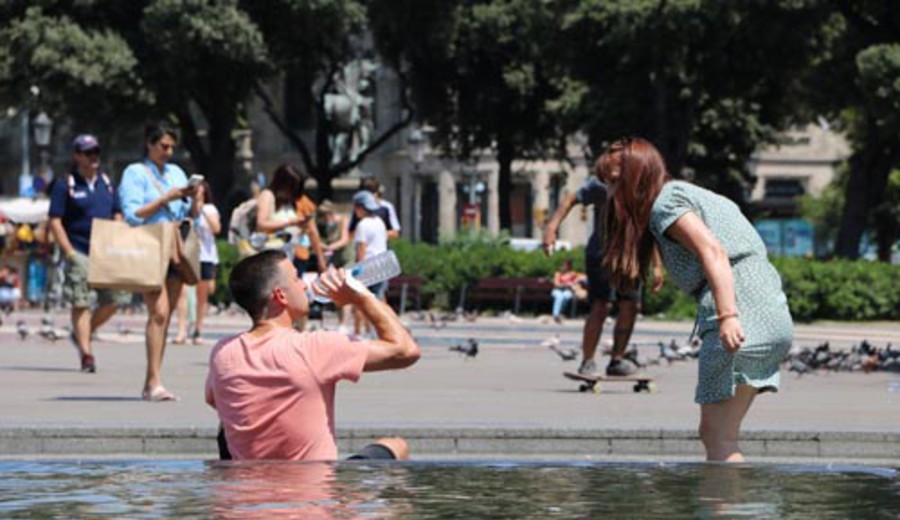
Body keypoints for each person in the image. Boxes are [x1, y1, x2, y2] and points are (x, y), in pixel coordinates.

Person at [598, 137, 793, 462]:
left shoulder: (666, 203)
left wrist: (727, 315)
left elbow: (712, 251)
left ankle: (727, 509)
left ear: (638, 174)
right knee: (720, 434)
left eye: (616, 182)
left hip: (740, 312)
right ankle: (743, 510)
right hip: (769, 309)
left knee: (717, 437)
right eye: (606, 184)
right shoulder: (686, 194)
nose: (610, 194)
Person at [205, 250, 420, 461]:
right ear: (280, 295)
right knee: (397, 446)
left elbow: (213, 399)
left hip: (247, 489)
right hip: (315, 492)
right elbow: (405, 350)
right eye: (297, 278)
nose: (305, 285)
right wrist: (360, 296)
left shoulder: (223, 352)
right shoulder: (315, 347)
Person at [543, 164, 659, 376]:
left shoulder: (643, 188)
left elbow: (651, 227)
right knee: (601, 306)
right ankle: (587, 360)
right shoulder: (600, 187)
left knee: (631, 306)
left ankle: (616, 359)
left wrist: (657, 265)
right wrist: (551, 227)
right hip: (602, 255)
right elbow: (571, 199)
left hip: (630, 258)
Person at [118, 121, 199, 401]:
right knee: (160, 312)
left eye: (171, 147)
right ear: (149, 144)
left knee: (164, 317)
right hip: (149, 245)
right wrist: (166, 198)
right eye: (163, 146)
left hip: (176, 248)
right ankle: (153, 382)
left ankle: (153, 379)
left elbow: (190, 212)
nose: (168, 151)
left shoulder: (177, 172)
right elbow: (132, 214)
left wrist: (194, 196)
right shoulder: (135, 173)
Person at [47, 134, 127, 373]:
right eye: (88, 153)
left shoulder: (106, 182)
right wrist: (69, 252)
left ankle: (84, 332)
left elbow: (117, 212)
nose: (94, 157)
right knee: (81, 301)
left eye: (96, 152)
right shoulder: (66, 185)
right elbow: (55, 221)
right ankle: (86, 354)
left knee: (116, 299)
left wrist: (117, 231)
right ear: (77, 156)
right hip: (79, 250)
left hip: (105, 250)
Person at [255, 164, 326, 275]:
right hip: (270, 260)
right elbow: (261, 223)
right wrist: (290, 222)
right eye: (293, 188)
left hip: (289, 258)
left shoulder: (291, 202)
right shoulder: (267, 196)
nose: (294, 193)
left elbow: (312, 231)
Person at [173, 181, 220, 344]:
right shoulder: (185, 209)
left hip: (206, 255)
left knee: (202, 295)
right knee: (182, 293)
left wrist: (203, 211)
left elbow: (216, 229)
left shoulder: (210, 209)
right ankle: (181, 330)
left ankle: (198, 329)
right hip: (188, 255)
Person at [351, 190, 389, 335]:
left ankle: (358, 333)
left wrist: (357, 273)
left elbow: (361, 250)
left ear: (360, 208)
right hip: (383, 264)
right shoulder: (379, 222)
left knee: (360, 301)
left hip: (368, 265)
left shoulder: (363, 225)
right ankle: (385, 331)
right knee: (380, 300)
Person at [550, 259, 584, 324]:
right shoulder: (558, 274)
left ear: (569, 266)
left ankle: (560, 313)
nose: (564, 267)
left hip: (568, 291)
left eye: (565, 265)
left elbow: (583, 277)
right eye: (563, 265)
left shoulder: (573, 274)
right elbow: (556, 284)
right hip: (557, 290)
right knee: (559, 296)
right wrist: (566, 284)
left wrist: (575, 282)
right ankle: (556, 315)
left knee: (566, 296)